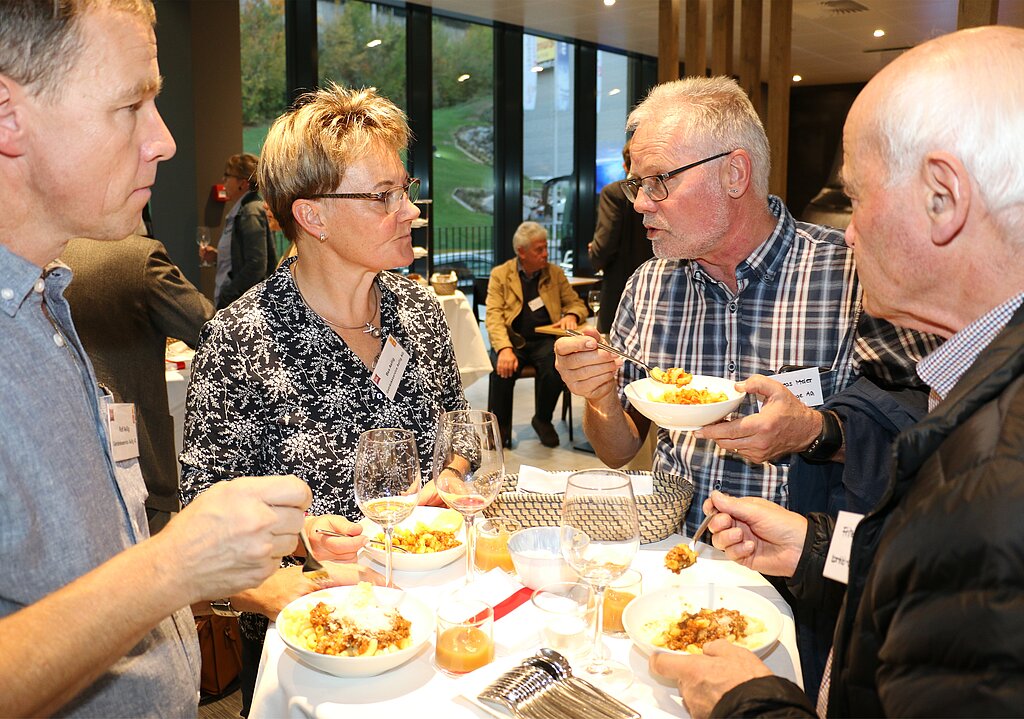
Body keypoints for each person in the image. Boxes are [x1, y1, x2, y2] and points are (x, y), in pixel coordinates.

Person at [649, 25, 1024, 718]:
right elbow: (926, 583)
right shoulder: (976, 386)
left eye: (857, 198)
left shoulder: (998, 470)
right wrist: (819, 546)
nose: (849, 232)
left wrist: (750, 702)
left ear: (944, 196)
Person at [0, 2, 314, 716]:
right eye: (131, 103)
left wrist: (224, 567)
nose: (165, 140)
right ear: (7, 114)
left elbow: (76, 566)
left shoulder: (48, 297)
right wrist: (174, 566)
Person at [180, 83, 468, 713]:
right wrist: (302, 539)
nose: (412, 210)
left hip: (431, 613)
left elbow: (458, 435)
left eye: (407, 189)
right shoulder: (241, 340)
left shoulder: (419, 310)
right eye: (384, 196)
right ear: (313, 216)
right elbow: (205, 524)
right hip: (317, 646)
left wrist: (444, 483)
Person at [554, 76, 933, 537]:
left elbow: (928, 439)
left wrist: (815, 431)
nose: (641, 205)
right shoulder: (649, 286)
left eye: (658, 181)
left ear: (734, 174)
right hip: (681, 562)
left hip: (802, 578)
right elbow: (618, 450)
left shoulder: (854, 275)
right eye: (637, 185)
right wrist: (598, 398)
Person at [61, 234, 214, 534]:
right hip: (135, 456)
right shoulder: (139, 257)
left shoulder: (44, 253)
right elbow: (209, 327)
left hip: (68, 456)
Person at [486, 221, 588, 447]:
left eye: (546, 248)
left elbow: (577, 304)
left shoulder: (555, 273)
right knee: (501, 371)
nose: (545, 254)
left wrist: (572, 314)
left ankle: (542, 420)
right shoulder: (501, 275)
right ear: (521, 252)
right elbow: (493, 316)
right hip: (514, 341)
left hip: (545, 340)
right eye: (539, 249)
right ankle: (500, 427)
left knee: (556, 367)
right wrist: (503, 348)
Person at [588, 138, 653, 334]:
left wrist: (594, 255)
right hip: (659, 291)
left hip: (620, 290)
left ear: (625, 165)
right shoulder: (663, 191)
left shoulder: (614, 193)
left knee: (614, 355)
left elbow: (605, 243)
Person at [200, 152, 277, 309]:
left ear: (242, 183)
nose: (223, 180)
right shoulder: (243, 210)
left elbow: (256, 265)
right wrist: (218, 257)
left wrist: (228, 295)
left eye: (227, 176)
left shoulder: (250, 211)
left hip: (242, 306)